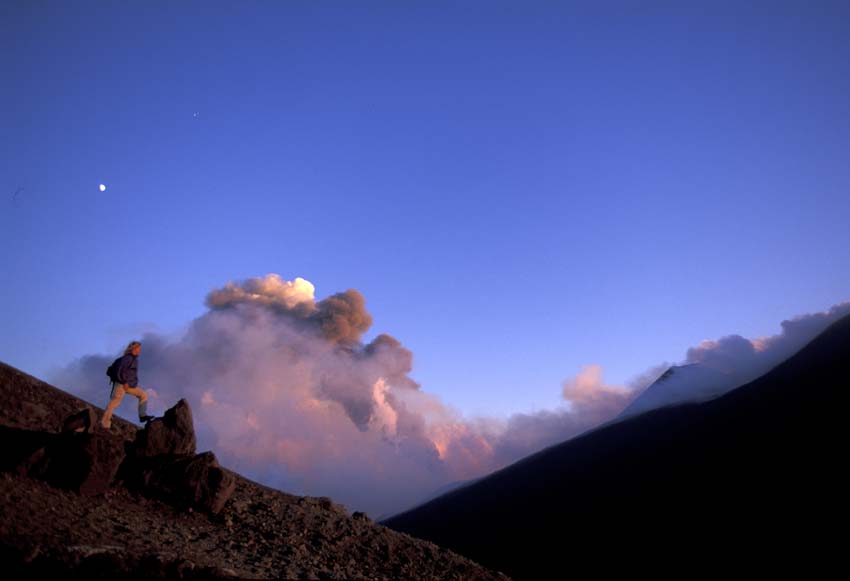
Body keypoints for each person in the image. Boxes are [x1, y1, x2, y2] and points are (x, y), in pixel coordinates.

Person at [100, 340, 154, 429]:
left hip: (129, 385)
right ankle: (104, 423)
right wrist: (124, 381)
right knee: (115, 402)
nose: (140, 350)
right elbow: (120, 370)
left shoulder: (133, 359)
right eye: (139, 348)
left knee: (143, 395)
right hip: (121, 384)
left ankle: (142, 416)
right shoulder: (128, 358)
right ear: (134, 348)